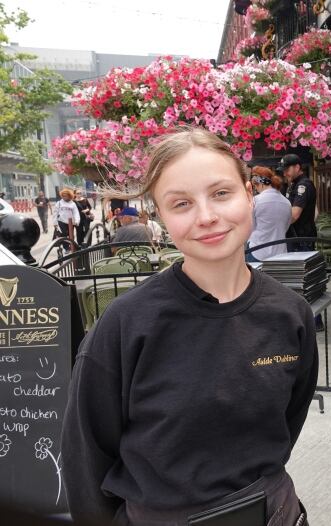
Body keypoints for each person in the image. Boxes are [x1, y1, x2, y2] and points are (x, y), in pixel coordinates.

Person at [62, 127, 317, 526]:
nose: (207, 216)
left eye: (221, 193)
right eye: (181, 203)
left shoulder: (291, 314)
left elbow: (287, 424)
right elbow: (86, 460)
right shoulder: (126, 324)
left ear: (248, 195)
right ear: (159, 216)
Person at [247, 165, 291, 262]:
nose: (256, 189)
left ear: (259, 183)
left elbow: (250, 226)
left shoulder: (256, 201)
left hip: (257, 251)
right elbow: (286, 226)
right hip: (280, 253)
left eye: (255, 186)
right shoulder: (287, 202)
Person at [282, 154, 317, 252]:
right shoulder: (294, 184)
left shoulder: (303, 185)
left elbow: (294, 215)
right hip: (295, 236)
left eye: (287, 170)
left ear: (297, 167)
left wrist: (277, 224)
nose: (284, 173)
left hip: (301, 238)